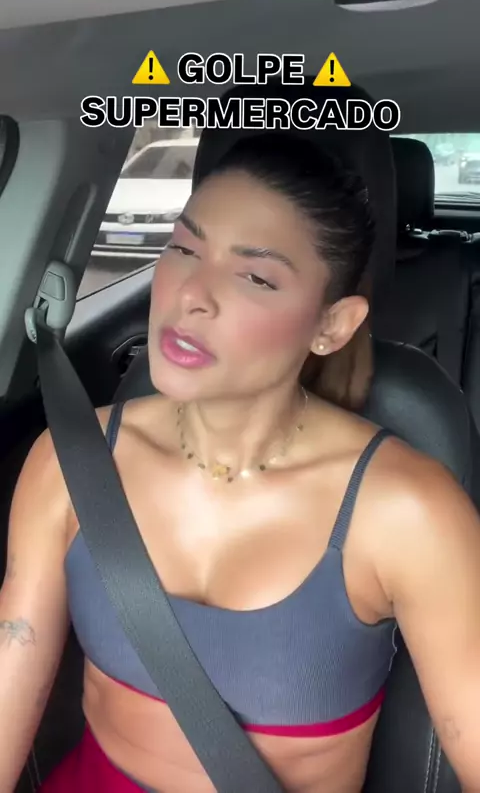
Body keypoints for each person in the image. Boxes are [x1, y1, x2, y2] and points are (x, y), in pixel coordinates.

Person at [1, 132, 479, 793]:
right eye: (184, 248)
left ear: (333, 325)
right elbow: (13, 667)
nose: (192, 294)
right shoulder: (70, 461)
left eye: (255, 276)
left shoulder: (406, 512)